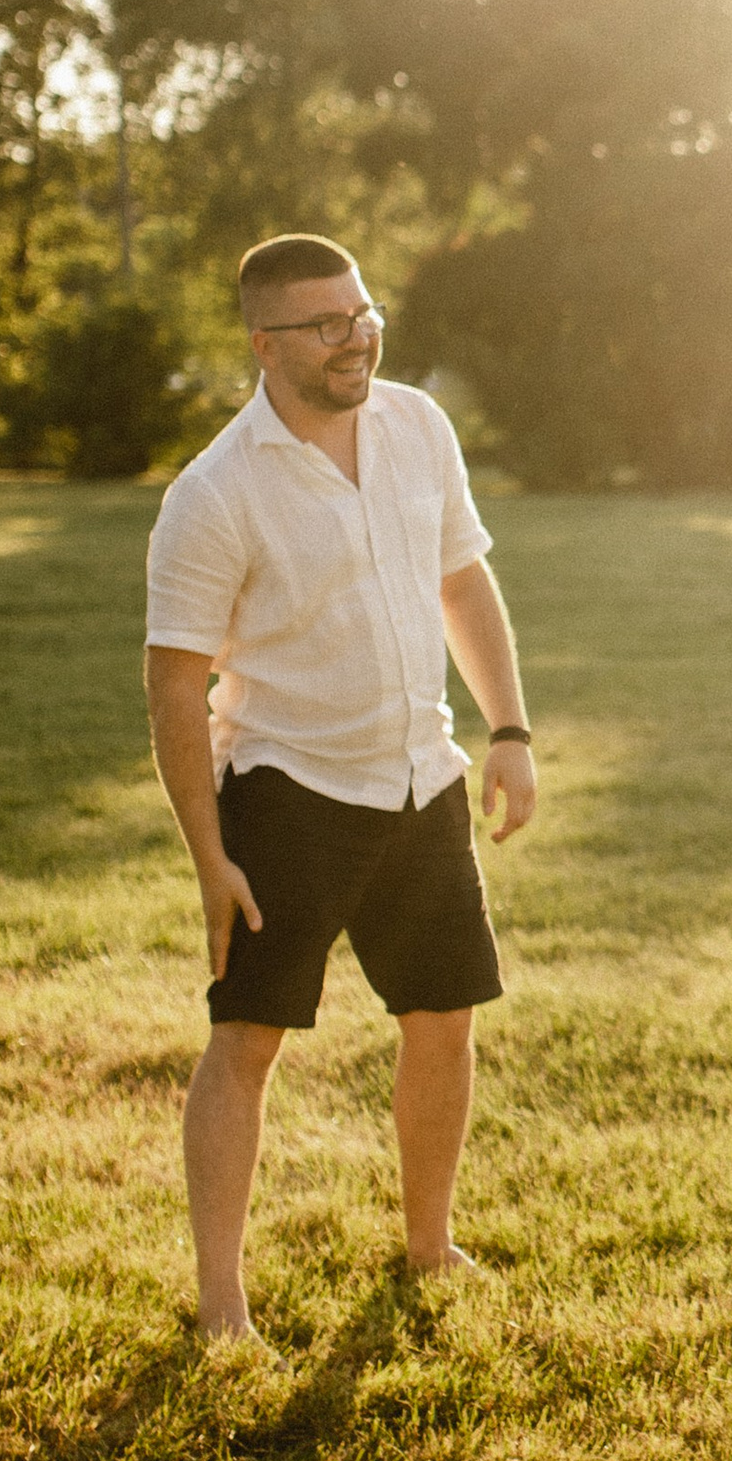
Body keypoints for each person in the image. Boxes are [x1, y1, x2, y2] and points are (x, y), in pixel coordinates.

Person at [142, 235, 539, 1346]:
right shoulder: (215, 493)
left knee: (443, 1018)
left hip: (423, 774)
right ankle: (223, 1303)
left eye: (363, 312)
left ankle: (429, 1242)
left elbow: (462, 576)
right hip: (290, 790)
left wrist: (507, 727)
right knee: (248, 1038)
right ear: (265, 345)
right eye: (325, 323)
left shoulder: (418, 425)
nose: (355, 335)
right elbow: (176, 684)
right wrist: (209, 854)